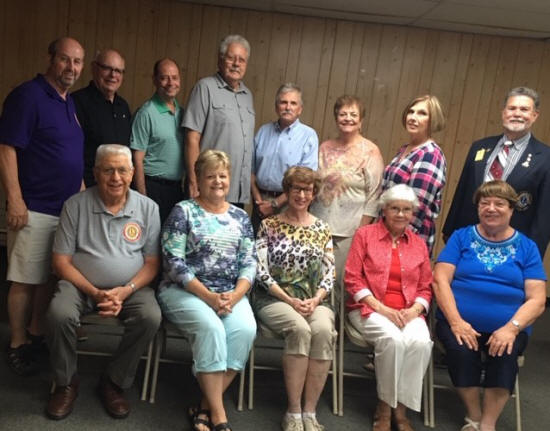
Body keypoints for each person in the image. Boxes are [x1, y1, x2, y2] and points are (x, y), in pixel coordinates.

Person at [45, 144, 161, 420]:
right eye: (108, 170)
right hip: (80, 286)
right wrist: (95, 292)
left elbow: (152, 264)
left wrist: (125, 291)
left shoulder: (148, 208)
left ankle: (114, 381)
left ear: (132, 173)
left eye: (122, 170)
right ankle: (66, 382)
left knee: (150, 317)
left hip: (131, 288)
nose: (115, 177)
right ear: (96, 172)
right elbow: (60, 262)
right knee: (58, 314)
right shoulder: (75, 205)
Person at [0, 37, 85, 376]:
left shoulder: (68, 101)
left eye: (77, 62)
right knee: (24, 279)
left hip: (64, 211)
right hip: (33, 206)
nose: (71, 68)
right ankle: (17, 342)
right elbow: (7, 149)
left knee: (48, 278)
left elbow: (70, 156)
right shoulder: (28, 96)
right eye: (65, 59)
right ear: (51, 59)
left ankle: (36, 333)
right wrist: (15, 199)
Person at [433, 180, 546, 431]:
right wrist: (456, 322)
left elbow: (537, 299)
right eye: (485, 203)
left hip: (509, 326)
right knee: (461, 351)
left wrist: (511, 328)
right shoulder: (461, 237)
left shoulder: (527, 247)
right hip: (457, 322)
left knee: (505, 353)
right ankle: (473, 415)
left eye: (499, 204)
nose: (491, 208)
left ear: (511, 209)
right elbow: (440, 280)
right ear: (478, 208)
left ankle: (487, 423)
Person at [157, 150, 256, 431]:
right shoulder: (183, 211)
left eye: (222, 175)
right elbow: (173, 263)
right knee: (211, 328)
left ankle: (204, 406)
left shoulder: (240, 216)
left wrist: (235, 295)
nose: (217, 181)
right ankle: (220, 416)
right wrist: (210, 298)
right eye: (210, 176)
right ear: (198, 179)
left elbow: (249, 262)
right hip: (185, 291)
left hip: (229, 294)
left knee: (245, 329)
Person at [253, 166, 336, 431]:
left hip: (314, 300)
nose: (301, 195)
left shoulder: (322, 228)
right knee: (299, 329)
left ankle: (310, 411)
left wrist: (317, 299)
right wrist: (289, 300)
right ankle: (293, 411)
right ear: (287, 192)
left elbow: (329, 273)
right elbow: (261, 272)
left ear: (314, 193)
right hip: (274, 298)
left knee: (323, 331)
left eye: (307, 190)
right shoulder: (269, 225)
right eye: (296, 189)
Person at [345, 184, 433, 431]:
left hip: (408, 312)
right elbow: (352, 278)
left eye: (406, 209)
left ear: (413, 213)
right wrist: (382, 309)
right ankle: (385, 407)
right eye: (395, 208)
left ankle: (401, 409)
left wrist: (415, 310)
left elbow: (426, 287)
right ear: (384, 209)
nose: (401, 214)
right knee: (392, 340)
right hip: (369, 308)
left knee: (421, 343)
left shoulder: (418, 244)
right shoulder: (365, 235)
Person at [442, 87, 550, 258]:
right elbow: (462, 191)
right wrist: (449, 232)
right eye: (512, 108)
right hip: (468, 239)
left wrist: (533, 254)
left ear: (535, 115)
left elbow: (544, 213)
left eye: (524, 109)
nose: (517, 114)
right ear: (503, 112)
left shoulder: (545, 157)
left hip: (513, 248)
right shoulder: (479, 147)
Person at [310, 95, 384, 310]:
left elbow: (374, 196)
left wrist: (361, 232)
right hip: (318, 225)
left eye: (353, 114)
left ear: (361, 120)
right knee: (314, 277)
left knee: (338, 283)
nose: (348, 118)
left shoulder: (370, 151)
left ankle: (333, 324)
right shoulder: (325, 147)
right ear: (336, 118)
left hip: (349, 230)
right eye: (343, 114)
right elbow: (314, 184)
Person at [183, 34, 254, 207]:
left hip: (236, 190)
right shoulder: (205, 88)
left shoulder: (248, 96)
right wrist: (194, 181)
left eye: (242, 60)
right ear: (220, 60)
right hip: (210, 188)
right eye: (231, 58)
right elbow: (192, 138)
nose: (236, 64)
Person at [382, 94, 446, 255]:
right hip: (387, 232)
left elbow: (417, 207)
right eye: (411, 112)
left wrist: (394, 242)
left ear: (433, 120)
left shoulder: (430, 154)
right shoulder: (405, 149)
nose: (413, 117)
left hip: (407, 240)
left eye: (422, 113)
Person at [251, 83, 318, 231]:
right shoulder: (263, 131)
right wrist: (259, 202)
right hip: (259, 205)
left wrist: (275, 204)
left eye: (293, 103)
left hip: (290, 204)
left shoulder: (308, 136)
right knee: (257, 244)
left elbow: (306, 179)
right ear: (276, 107)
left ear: (300, 109)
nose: (288, 107)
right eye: (283, 102)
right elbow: (250, 171)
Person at [130, 58, 185, 223]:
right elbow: (137, 160)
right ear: (154, 80)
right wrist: (142, 198)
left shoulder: (183, 113)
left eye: (174, 78)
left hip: (176, 190)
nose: (170, 83)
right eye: (164, 78)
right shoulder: (146, 113)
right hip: (152, 187)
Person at [73, 48, 131, 187]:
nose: (113, 75)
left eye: (118, 71)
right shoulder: (77, 102)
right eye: (107, 68)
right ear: (94, 68)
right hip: (87, 187)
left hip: (118, 187)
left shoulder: (123, 106)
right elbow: (72, 153)